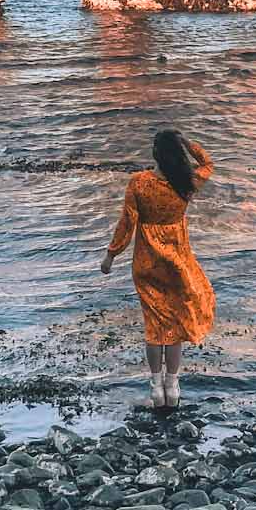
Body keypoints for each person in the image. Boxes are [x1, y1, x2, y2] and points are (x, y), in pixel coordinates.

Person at [101, 128, 215, 412]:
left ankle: (155, 387)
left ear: (154, 153)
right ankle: (173, 386)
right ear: (178, 154)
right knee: (174, 326)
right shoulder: (186, 182)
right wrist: (187, 143)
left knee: (154, 326)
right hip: (177, 261)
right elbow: (208, 164)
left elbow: (126, 224)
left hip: (146, 261)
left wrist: (111, 255)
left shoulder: (139, 183)